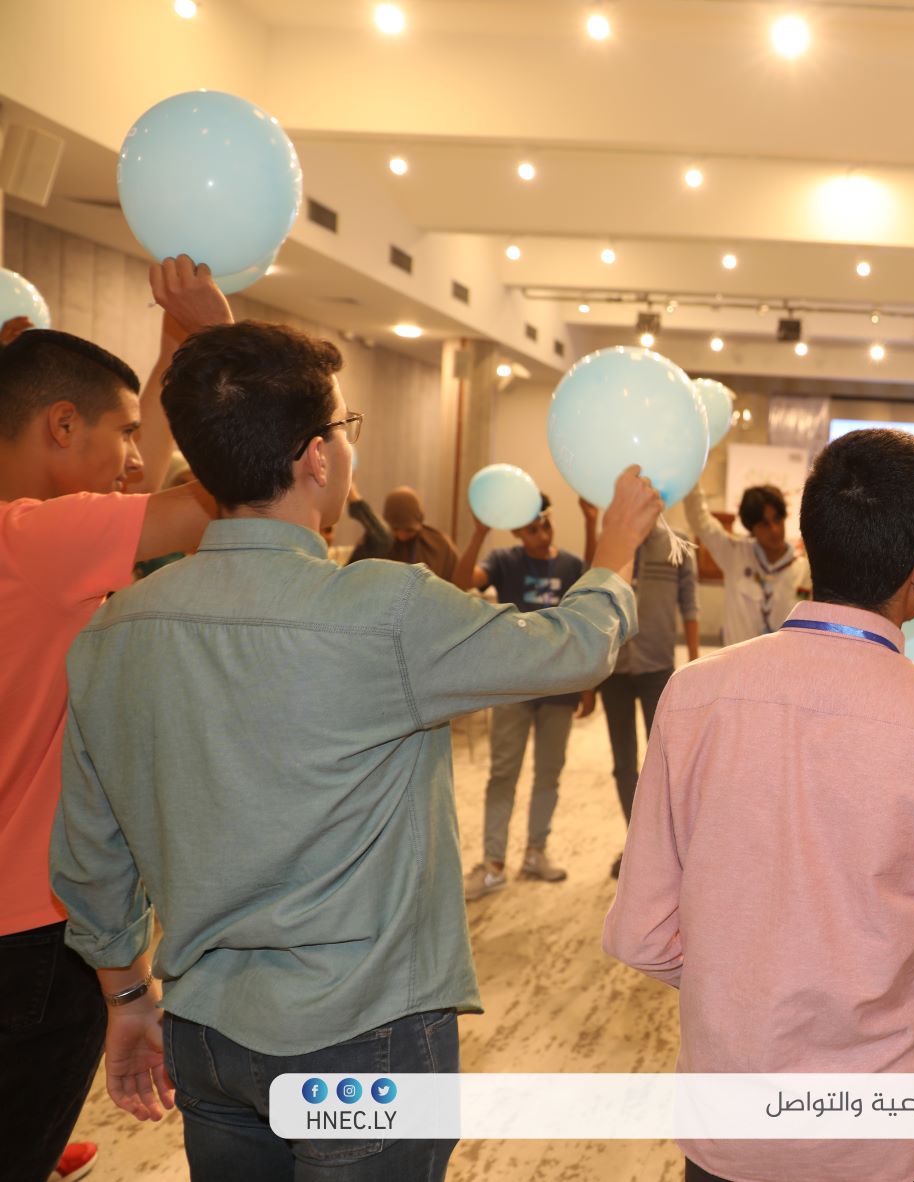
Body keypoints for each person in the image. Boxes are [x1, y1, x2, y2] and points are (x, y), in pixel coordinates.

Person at [49, 319, 661, 1181]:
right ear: (316, 457)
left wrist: (125, 998)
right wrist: (615, 555)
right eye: (345, 429)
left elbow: (91, 856)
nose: (348, 449)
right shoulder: (384, 611)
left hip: (205, 1033)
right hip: (363, 1034)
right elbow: (572, 646)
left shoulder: (113, 632)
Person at [605, 428, 914, 1182]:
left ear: (808, 539)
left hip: (734, 1116)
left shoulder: (693, 696)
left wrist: (744, 975)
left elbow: (641, 934)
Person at [0, 258, 221, 1182]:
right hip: (31, 930)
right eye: (124, 433)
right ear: (60, 425)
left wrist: (170, 360)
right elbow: (219, 498)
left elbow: (125, 497)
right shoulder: (39, 543)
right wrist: (219, 342)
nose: (137, 456)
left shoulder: (35, 540)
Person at [454, 493, 602, 898]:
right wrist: (479, 532)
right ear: (518, 530)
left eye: (545, 521)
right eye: (532, 526)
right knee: (503, 773)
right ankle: (493, 864)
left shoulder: (570, 564)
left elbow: (593, 591)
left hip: (559, 686)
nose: (542, 530)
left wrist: (591, 523)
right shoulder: (504, 560)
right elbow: (461, 582)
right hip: (513, 685)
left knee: (548, 773)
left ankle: (536, 851)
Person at [599, 515, 700, 878]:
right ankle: (635, 845)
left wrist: (695, 663)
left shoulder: (677, 544)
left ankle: (667, 851)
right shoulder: (611, 540)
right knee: (623, 763)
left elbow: (689, 603)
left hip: (657, 667)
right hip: (614, 670)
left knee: (665, 762)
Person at [684, 482, 809, 643]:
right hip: (737, 658)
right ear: (752, 529)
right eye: (764, 524)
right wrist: (691, 475)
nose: (774, 529)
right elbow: (699, 520)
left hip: (787, 658)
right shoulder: (735, 554)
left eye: (777, 519)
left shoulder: (804, 569)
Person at [360, 484, 457, 576]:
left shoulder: (440, 545)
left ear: (419, 523)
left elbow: (458, 580)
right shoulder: (373, 543)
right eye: (395, 529)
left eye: (409, 530)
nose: (402, 536)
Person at [323, 485, 392, 565]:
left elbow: (381, 539)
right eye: (317, 530)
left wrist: (354, 499)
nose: (322, 536)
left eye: (328, 530)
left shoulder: (341, 557)